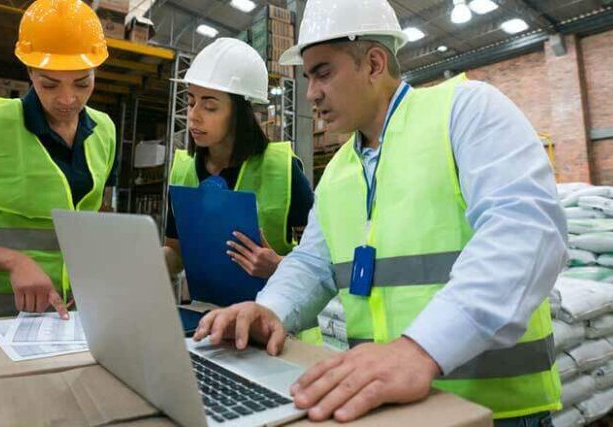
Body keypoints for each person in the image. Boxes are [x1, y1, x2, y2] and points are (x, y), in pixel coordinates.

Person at [192, 0, 568, 424]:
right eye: (308, 77)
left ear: (373, 63)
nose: (311, 92)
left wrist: (420, 349)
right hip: (388, 408)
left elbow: (526, 233)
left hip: (498, 412)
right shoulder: (338, 170)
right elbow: (314, 262)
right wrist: (271, 307)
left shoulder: (465, 112)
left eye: (323, 72)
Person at [0, 0, 117, 320]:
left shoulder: (105, 132)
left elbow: (93, 215)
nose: (68, 99)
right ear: (29, 71)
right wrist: (13, 261)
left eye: (82, 83)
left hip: (59, 313)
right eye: (49, 84)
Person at [163, 38, 314, 283]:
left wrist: (278, 266)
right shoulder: (182, 169)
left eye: (209, 107)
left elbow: (320, 260)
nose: (193, 116)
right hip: (205, 313)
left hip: (271, 312)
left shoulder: (283, 169)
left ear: (240, 114)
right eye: (191, 102)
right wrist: (147, 262)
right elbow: (176, 252)